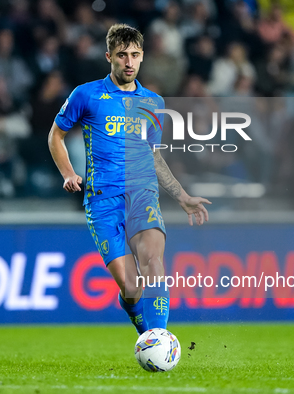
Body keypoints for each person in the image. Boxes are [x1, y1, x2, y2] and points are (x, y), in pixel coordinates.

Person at [48, 24, 211, 335]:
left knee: (155, 264)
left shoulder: (153, 103)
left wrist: (181, 196)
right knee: (132, 287)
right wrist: (68, 172)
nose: (129, 62)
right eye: (122, 55)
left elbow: (153, 155)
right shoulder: (86, 95)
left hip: (142, 194)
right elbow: (56, 135)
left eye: (135, 55)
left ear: (142, 57)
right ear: (110, 56)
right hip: (103, 201)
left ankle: (158, 339)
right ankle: (143, 329)